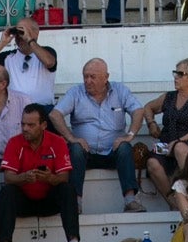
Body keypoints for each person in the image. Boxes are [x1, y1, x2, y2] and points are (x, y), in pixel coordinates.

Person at [50, 57, 145, 214]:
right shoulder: (76, 92)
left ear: (106, 77)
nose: (88, 81)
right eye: (85, 76)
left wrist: (130, 135)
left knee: (125, 147)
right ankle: (75, 203)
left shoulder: (120, 91)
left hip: (112, 152)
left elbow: (138, 110)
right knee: (75, 148)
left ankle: (130, 201)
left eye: (92, 77)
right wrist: (71, 137)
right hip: (85, 153)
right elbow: (55, 114)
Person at [0, 101, 84, 242]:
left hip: (49, 200)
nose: (25, 129)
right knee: (7, 191)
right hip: (24, 201)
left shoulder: (57, 142)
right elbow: (8, 177)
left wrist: (49, 178)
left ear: (43, 125)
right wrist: (24, 177)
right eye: (23, 124)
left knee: (67, 189)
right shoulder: (15, 142)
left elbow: (64, 177)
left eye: (31, 125)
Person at [143, 57, 188, 201]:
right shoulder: (169, 97)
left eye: (180, 74)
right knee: (152, 163)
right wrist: (151, 123)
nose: (176, 77)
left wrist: (177, 142)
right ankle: (175, 203)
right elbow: (148, 107)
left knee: (180, 148)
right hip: (167, 146)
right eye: (175, 73)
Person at [0, 17, 58, 110]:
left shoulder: (47, 51)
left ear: (36, 33)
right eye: (17, 33)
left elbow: (49, 62)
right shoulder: (8, 57)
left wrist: (29, 40)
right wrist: (2, 43)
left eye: (22, 32)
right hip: (16, 109)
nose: (20, 36)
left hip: (43, 108)